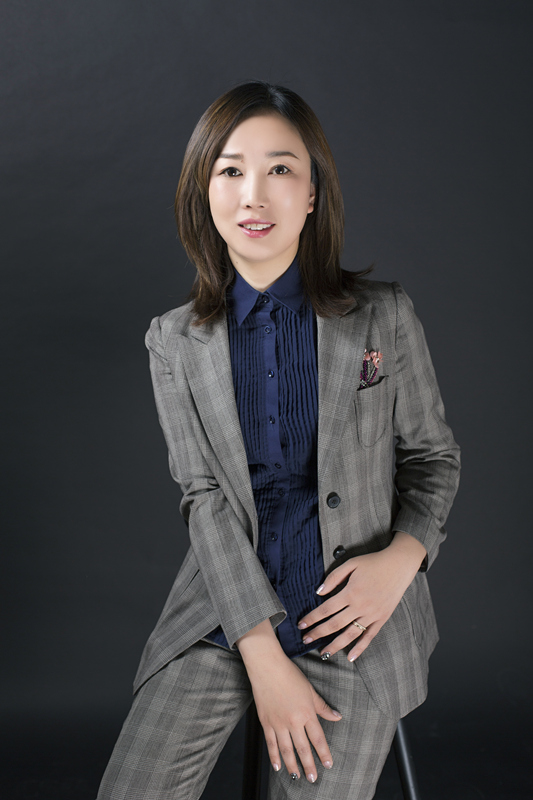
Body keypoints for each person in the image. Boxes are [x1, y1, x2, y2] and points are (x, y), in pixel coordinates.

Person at [96, 81, 460, 800]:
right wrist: (261, 656)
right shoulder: (174, 342)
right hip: (225, 613)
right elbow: (204, 498)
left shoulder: (382, 317)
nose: (253, 195)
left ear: (313, 193)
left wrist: (401, 561)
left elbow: (432, 460)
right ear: (204, 191)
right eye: (231, 170)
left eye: (280, 169)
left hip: (355, 621)